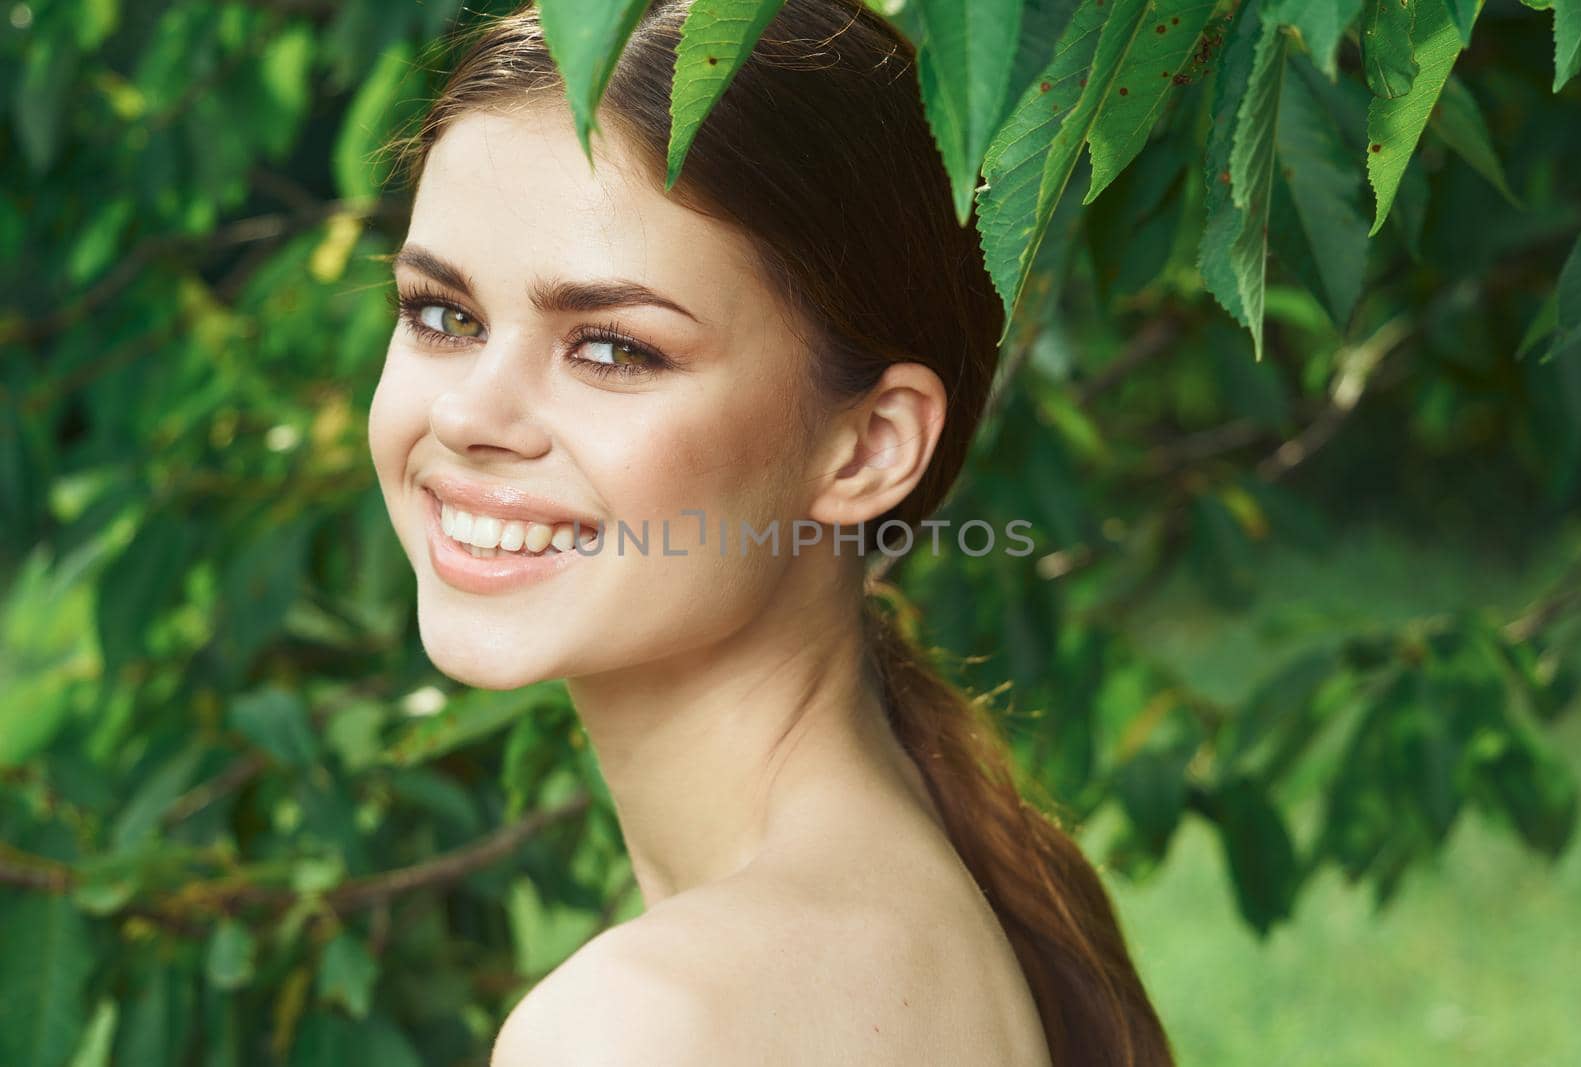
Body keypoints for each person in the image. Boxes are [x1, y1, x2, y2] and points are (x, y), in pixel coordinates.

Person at [367, 1, 1174, 1063]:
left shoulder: (643, 1022)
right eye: (443, 315)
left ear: (869, 446)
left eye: (613, 349)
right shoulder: (924, 900)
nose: (469, 414)